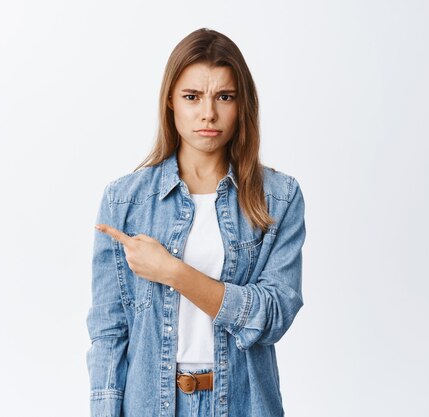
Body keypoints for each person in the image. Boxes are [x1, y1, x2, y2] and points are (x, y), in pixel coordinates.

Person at [86, 27, 306, 417]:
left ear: (242, 105)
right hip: (150, 404)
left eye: (224, 96)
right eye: (192, 97)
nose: (208, 113)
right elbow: (109, 332)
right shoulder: (124, 200)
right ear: (170, 100)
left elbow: (272, 316)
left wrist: (173, 272)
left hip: (244, 403)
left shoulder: (279, 197)